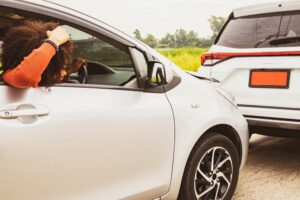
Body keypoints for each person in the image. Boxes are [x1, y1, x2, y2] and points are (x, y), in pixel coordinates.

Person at [1, 20, 85, 88]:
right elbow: (23, 77)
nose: (64, 73)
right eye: (60, 67)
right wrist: (53, 42)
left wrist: (70, 71)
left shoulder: (41, 79)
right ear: (45, 67)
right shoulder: (10, 76)